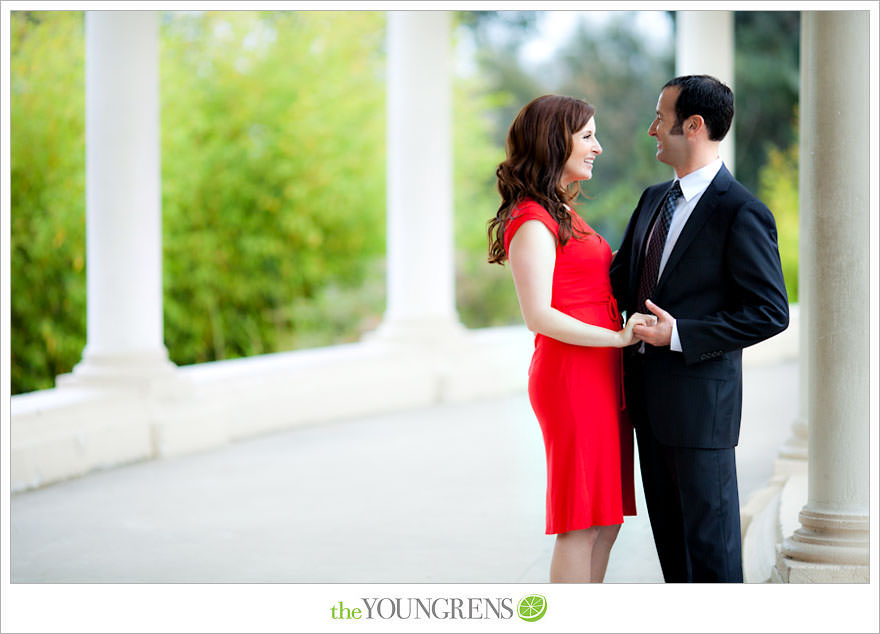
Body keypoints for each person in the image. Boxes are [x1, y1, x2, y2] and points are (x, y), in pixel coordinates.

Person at [610, 75, 789, 583]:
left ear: (693, 126)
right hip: (645, 406)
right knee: (674, 557)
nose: (651, 130)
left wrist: (679, 333)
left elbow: (770, 310)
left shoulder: (742, 212)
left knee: (713, 560)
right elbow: (619, 283)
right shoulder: (651, 200)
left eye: (659, 119)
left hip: (701, 417)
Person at [488, 95, 649, 583]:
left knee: (605, 520)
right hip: (573, 377)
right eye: (587, 136)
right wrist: (619, 338)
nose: (597, 146)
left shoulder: (558, 211)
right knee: (581, 523)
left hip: (598, 373)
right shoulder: (533, 219)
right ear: (553, 141)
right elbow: (539, 314)